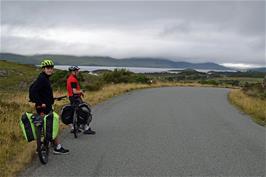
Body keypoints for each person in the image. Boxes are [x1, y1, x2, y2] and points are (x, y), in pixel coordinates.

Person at [31, 59, 69, 154]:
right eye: (48, 68)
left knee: (44, 126)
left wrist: (53, 98)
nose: (50, 70)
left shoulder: (43, 78)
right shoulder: (42, 79)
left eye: (51, 68)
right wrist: (40, 103)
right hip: (44, 107)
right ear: (43, 69)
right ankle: (57, 147)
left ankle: (40, 147)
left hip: (45, 105)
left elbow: (42, 92)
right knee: (53, 125)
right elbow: (33, 91)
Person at [66, 66, 96, 135]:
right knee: (85, 111)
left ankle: (74, 128)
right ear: (74, 71)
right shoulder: (73, 79)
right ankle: (86, 128)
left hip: (71, 97)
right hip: (76, 98)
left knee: (75, 112)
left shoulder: (69, 78)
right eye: (77, 71)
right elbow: (74, 91)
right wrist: (81, 91)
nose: (78, 72)